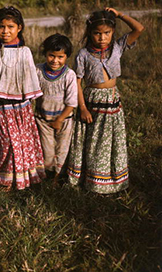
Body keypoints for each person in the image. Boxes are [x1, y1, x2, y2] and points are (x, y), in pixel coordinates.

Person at [67, 7, 144, 194]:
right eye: (97, 33)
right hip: (92, 103)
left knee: (112, 141)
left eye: (107, 33)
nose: (102, 38)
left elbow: (138, 29)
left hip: (112, 101)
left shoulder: (117, 47)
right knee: (93, 141)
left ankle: (112, 181)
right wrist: (83, 108)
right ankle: (92, 182)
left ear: (113, 32)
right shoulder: (83, 55)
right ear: (89, 33)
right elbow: (76, 83)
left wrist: (119, 15)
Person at [0, 6, 45, 191]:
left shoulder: (24, 52)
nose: (6, 31)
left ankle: (22, 177)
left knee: (20, 142)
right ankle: (4, 177)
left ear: (19, 27)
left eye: (10, 27)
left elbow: (30, 79)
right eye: (1, 27)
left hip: (20, 108)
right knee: (4, 142)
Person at [34, 33, 77, 186]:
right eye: (51, 56)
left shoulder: (69, 75)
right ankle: (47, 175)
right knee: (47, 151)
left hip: (63, 120)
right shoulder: (38, 70)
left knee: (62, 150)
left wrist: (59, 120)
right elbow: (31, 91)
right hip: (43, 120)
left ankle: (58, 178)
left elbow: (72, 102)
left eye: (60, 57)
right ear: (45, 54)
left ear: (67, 57)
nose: (55, 60)